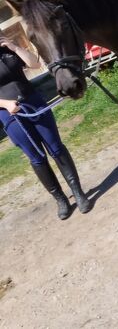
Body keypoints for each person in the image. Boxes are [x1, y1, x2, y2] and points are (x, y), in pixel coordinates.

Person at [0, 36, 91, 220]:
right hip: (9, 113)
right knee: (37, 158)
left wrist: (15, 47)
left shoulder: (7, 50)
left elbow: (34, 64)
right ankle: (60, 200)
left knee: (56, 147)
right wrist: (5, 104)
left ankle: (78, 193)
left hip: (34, 102)